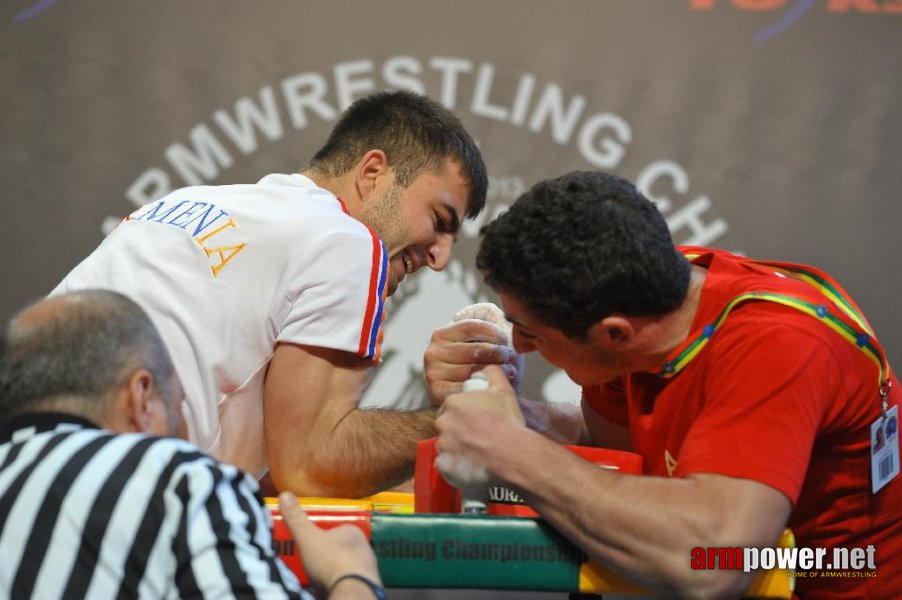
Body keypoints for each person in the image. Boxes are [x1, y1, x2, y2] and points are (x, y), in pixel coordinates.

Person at [426, 171, 901, 598]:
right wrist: (514, 417)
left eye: (530, 331)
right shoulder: (646, 294)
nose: (522, 347)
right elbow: (623, 446)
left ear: (614, 334)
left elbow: (713, 562)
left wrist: (513, 452)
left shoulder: (778, 345)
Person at [51, 90, 488, 497]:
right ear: (373, 173)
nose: (441, 258)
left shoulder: (179, 203)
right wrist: (468, 418)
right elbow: (310, 468)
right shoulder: (347, 239)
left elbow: (270, 468)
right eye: (439, 218)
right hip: (101, 502)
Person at [0, 290, 384, 599]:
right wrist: (350, 577)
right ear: (140, 398)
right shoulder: (174, 477)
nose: (185, 428)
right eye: (178, 404)